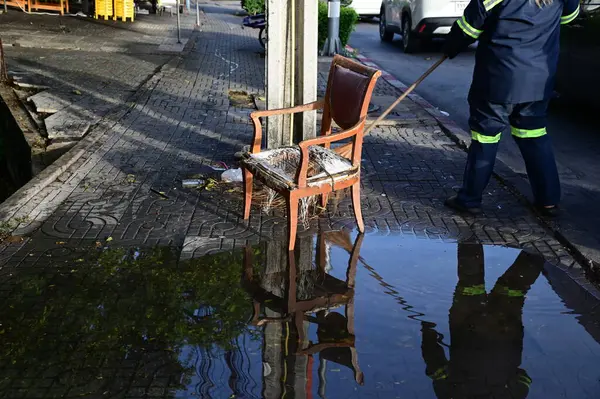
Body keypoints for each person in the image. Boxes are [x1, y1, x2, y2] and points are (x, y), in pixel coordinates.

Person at [442, 0, 581, 216]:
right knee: (534, 135)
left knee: (486, 138)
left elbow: (467, 29)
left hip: (497, 80)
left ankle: (469, 200)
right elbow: (569, 17)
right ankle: (548, 200)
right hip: (538, 81)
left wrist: (450, 48)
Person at [420, 243, 544, 398]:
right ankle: (469, 228)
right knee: (470, 284)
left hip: (505, 335)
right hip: (467, 329)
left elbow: (523, 379)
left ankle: (545, 244)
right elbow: (435, 364)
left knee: (514, 288)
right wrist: (428, 333)